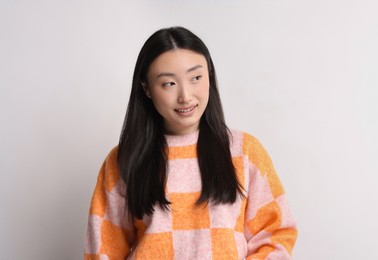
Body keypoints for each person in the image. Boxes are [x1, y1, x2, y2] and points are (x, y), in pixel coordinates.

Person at [84, 26, 298, 260]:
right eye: (169, 84)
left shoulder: (244, 151)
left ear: (210, 77)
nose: (185, 95)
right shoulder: (123, 161)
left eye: (196, 78)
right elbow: (103, 251)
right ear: (146, 88)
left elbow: (275, 235)